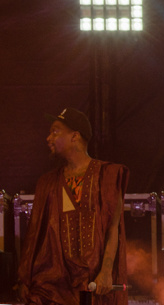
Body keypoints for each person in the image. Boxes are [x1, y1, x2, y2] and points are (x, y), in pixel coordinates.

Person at [16, 108, 128, 305]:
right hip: (53, 286)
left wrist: (106, 272)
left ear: (75, 136)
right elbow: (34, 235)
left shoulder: (109, 175)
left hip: (93, 283)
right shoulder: (47, 182)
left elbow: (114, 229)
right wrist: (25, 279)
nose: (48, 138)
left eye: (55, 131)